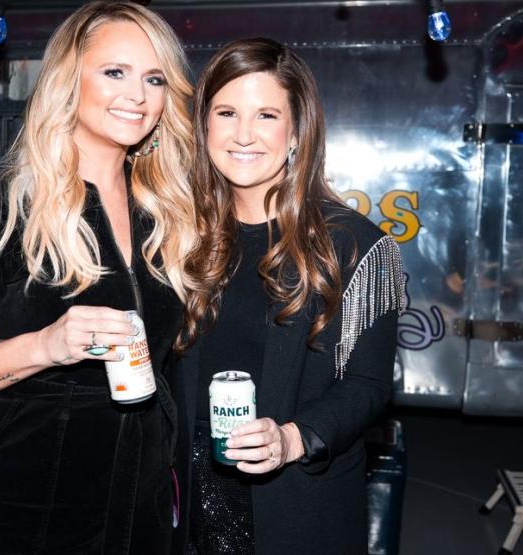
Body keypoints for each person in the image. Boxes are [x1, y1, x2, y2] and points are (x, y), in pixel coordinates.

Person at [0, 0, 198, 554]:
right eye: (115, 72)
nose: (137, 95)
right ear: (69, 82)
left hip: (136, 487)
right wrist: (45, 345)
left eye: (154, 79)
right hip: (25, 491)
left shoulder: (165, 210)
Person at [172, 38, 403, 554]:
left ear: (297, 130)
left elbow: (367, 387)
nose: (244, 134)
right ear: (203, 125)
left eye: (267, 115)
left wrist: (291, 439)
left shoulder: (357, 246)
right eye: (226, 112)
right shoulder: (180, 237)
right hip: (186, 503)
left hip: (297, 504)